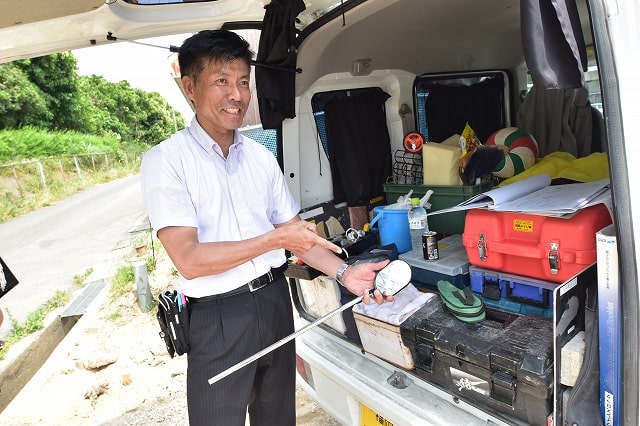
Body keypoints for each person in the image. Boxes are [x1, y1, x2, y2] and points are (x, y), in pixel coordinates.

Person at [139, 29, 392, 426]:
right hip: (217, 316)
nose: (237, 95)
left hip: (274, 302)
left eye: (243, 82)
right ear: (190, 87)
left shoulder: (258, 157)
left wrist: (346, 273)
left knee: (277, 419)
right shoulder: (166, 161)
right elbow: (188, 260)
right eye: (221, 81)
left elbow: (298, 236)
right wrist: (275, 239)